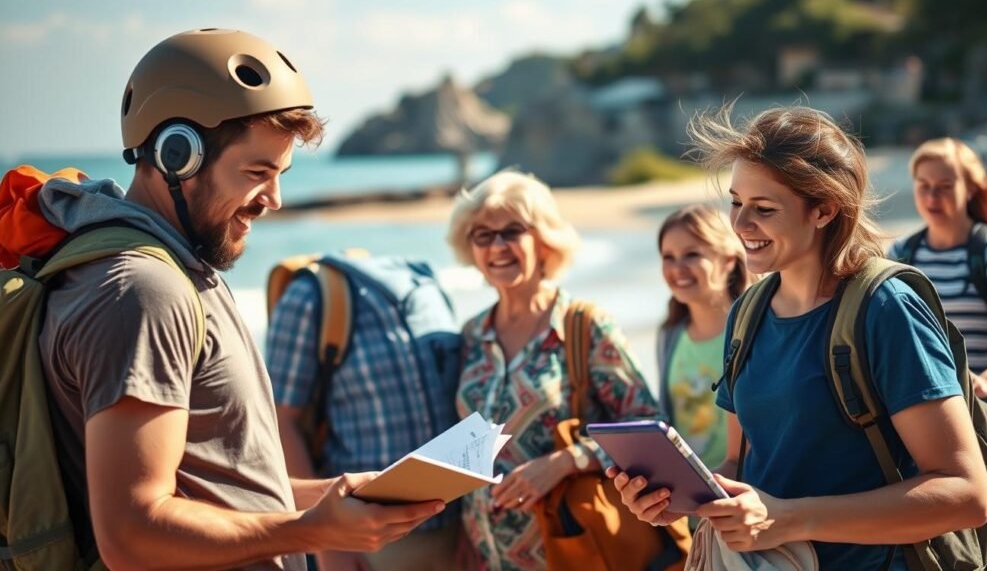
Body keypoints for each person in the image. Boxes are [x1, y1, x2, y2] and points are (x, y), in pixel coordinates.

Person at [36, 29, 441, 571]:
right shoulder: (142, 293)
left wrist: (329, 498)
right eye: (257, 173)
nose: (273, 200)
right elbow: (131, 533)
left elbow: (216, 487)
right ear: (177, 155)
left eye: (280, 175)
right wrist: (308, 531)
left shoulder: (179, 269)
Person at [611, 107, 987, 570]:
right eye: (735, 202)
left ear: (824, 210)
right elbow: (740, 464)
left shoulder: (885, 310)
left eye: (764, 209)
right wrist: (688, 499)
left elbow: (965, 495)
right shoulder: (746, 314)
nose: (741, 225)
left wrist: (790, 519)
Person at [446, 170, 662, 570]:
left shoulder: (584, 326)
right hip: (486, 554)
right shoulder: (473, 333)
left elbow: (648, 429)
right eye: (483, 235)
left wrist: (564, 462)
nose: (498, 246)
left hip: (573, 551)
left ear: (544, 241)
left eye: (513, 231)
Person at [266, 254, 466, 571]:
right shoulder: (309, 296)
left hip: (455, 530)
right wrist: (327, 543)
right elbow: (280, 418)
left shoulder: (428, 285)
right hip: (367, 541)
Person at [891, 138, 987, 473]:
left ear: (971, 189)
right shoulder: (901, 256)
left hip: (980, 419)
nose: (932, 197)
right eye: (924, 186)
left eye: (945, 187)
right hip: (915, 426)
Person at [656, 204, 753, 474]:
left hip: (745, 495)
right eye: (668, 257)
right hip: (688, 497)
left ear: (729, 260)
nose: (678, 269)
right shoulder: (669, 335)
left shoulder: (754, 330)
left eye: (692, 255)